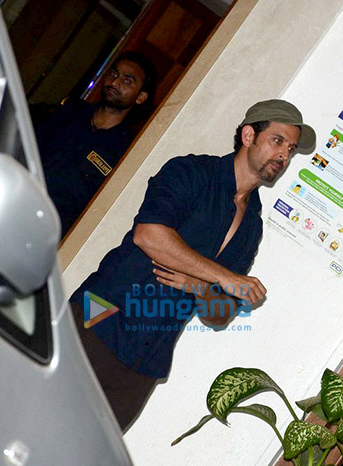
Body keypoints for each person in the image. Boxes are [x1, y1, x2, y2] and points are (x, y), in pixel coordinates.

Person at [70, 99, 316, 431]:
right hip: (98, 317)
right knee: (32, 424)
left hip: (147, 357)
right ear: (248, 135)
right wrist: (223, 277)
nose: (284, 155)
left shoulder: (252, 225)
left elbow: (221, 314)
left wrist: (201, 287)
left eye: (290, 148)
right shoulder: (191, 171)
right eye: (277, 141)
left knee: (87, 453)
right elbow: (149, 235)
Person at [34, 52, 156, 236]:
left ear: (140, 97)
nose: (115, 83)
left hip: (50, 233)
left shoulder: (125, 152)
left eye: (127, 81)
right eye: (113, 74)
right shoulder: (70, 113)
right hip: (17, 200)